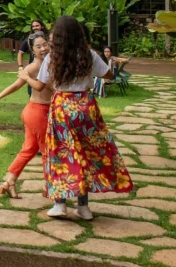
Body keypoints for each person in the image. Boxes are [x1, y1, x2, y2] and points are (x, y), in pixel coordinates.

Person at [19, 15, 133, 220]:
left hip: (62, 107)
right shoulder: (89, 54)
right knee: (86, 154)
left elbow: (43, 83)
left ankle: (60, 204)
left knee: (61, 154)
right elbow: (108, 75)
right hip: (85, 107)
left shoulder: (52, 58)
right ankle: (83, 207)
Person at [0, 32, 52, 199]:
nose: (43, 48)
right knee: (47, 151)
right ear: (32, 50)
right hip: (39, 113)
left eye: (45, 44)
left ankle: (9, 182)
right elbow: (16, 85)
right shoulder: (35, 67)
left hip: (32, 112)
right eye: (39, 46)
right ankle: (50, 187)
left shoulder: (46, 64)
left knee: (29, 149)